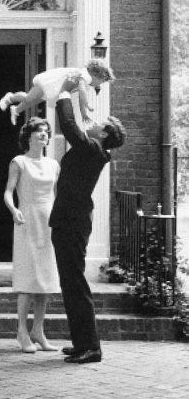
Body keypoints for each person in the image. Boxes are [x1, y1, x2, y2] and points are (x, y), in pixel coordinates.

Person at [50, 88, 127, 364]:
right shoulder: (93, 149)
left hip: (72, 221)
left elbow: (70, 129)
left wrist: (62, 95)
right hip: (69, 220)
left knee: (75, 283)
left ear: (104, 134)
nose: (92, 123)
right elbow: (77, 129)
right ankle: (82, 342)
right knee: (71, 283)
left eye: (99, 123)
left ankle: (91, 347)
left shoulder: (93, 148)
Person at [4, 117, 60, 354]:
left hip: (48, 222)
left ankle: (39, 330)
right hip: (27, 220)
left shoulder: (53, 165)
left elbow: (55, 195)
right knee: (28, 279)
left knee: (44, 281)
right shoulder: (19, 162)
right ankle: (22, 331)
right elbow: (8, 192)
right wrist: (14, 209)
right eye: (40, 133)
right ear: (29, 137)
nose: (45, 136)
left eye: (47, 133)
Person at [0, 59, 115, 126]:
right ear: (97, 75)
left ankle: (16, 110)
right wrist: (88, 105)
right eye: (101, 81)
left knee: (31, 102)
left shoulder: (85, 81)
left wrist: (84, 114)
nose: (99, 85)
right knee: (28, 98)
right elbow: (83, 94)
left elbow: (81, 97)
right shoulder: (84, 76)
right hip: (48, 83)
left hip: (52, 89)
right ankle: (10, 98)